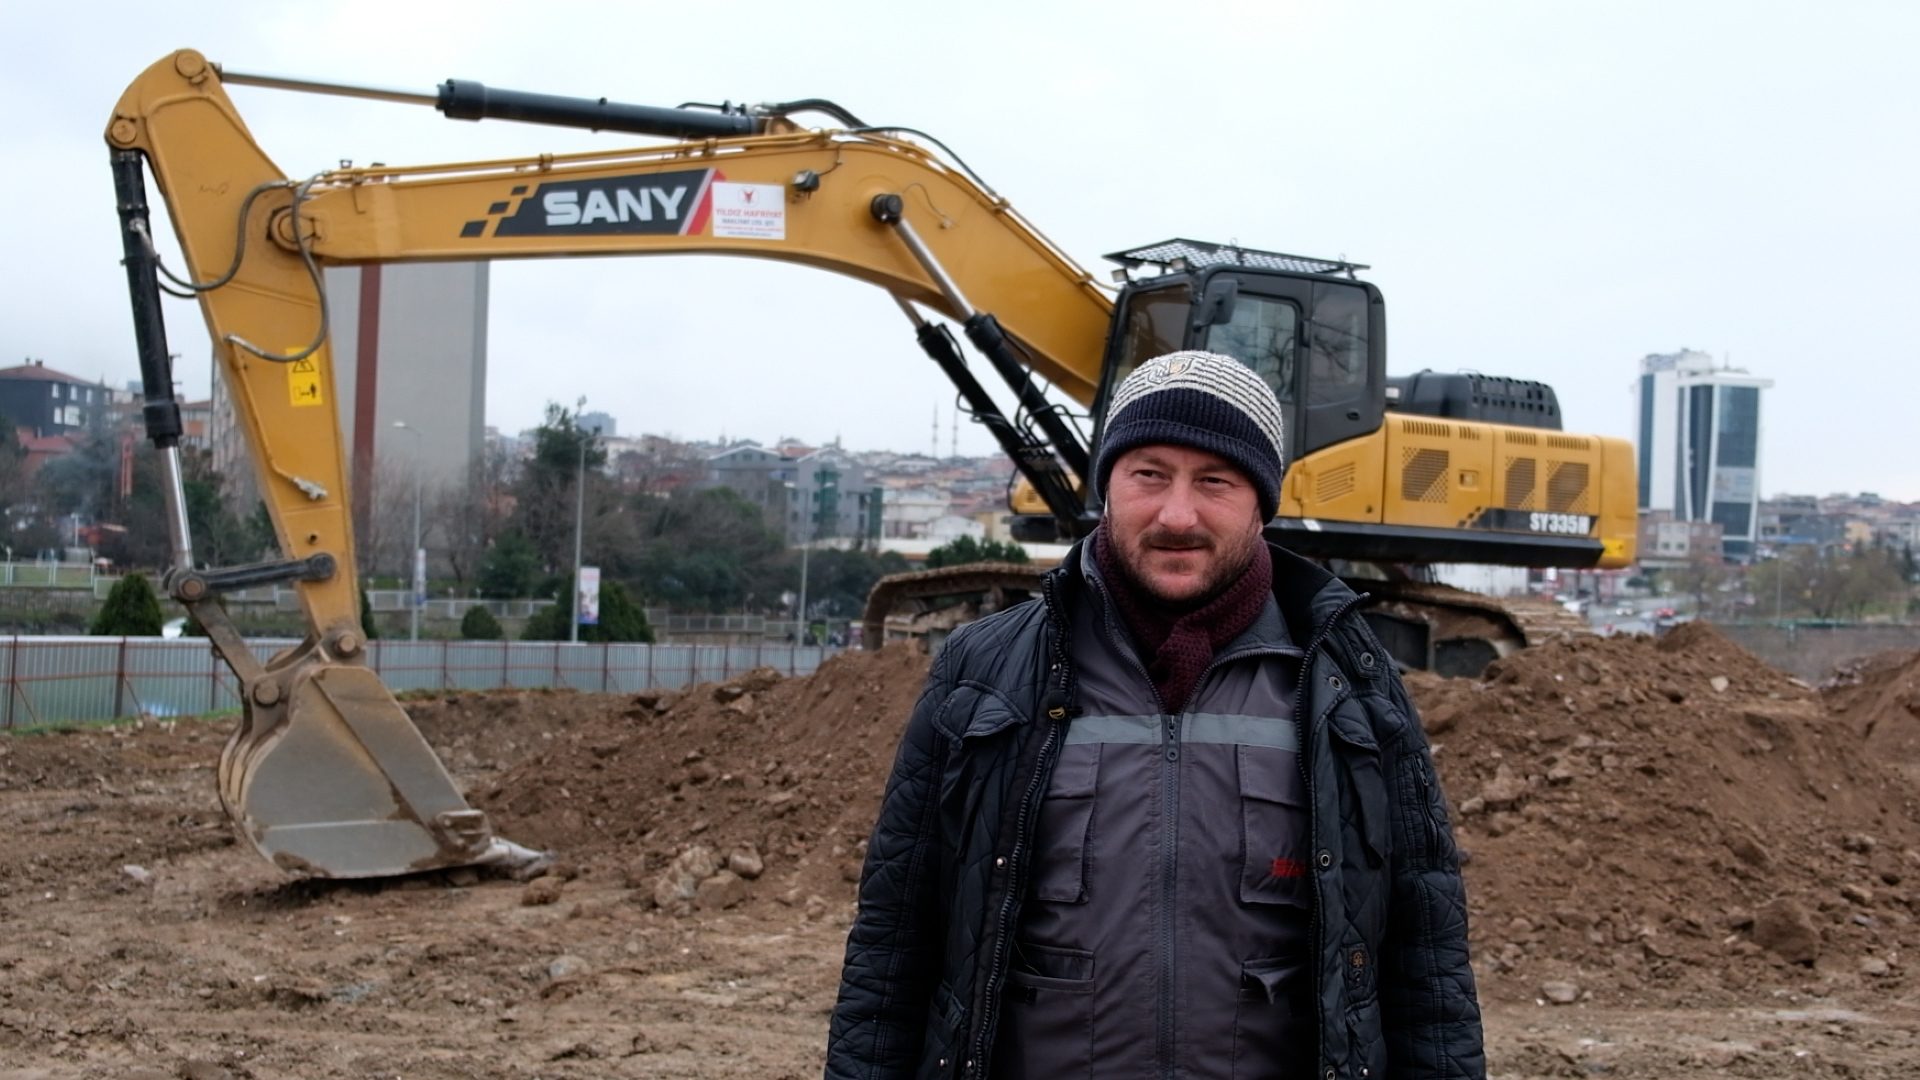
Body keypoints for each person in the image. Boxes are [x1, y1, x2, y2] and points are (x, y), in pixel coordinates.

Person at [825, 351, 1484, 1080]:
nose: (1177, 514)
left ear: (1261, 501)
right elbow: (895, 943)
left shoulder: (1350, 684)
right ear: (1105, 482)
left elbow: (1427, 960)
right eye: (1149, 474)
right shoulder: (984, 673)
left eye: (1215, 481)